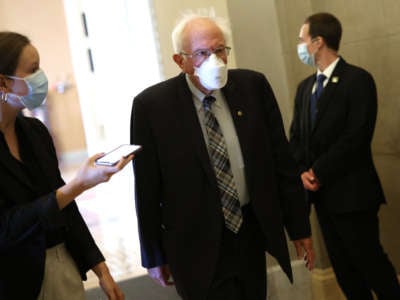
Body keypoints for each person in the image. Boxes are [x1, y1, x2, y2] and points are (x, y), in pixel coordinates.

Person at [130, 11, 314, 300]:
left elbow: (282, 161)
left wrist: (299, 226)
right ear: (181, 61)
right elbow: (146, 187)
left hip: (248, 233)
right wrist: (153, 253)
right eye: (202, 53)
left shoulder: (253, 87)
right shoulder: (152, 107)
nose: (214, 60)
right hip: (193, 243)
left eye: (219, 50)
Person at [0, 31, 131, 300]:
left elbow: (64, 205)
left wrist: (100, 268)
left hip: (63, 266)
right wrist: (78, 185)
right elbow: (7, 227)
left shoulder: (34, 131)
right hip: (12, 279)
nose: (41, 77)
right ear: (3, 83)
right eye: (33, 70)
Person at [289, 12, 400, 300]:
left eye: (302, 40)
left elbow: (356, 137)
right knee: (345, 272)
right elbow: (296, 138)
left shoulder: (358, 80)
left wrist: (318, 172)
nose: (299, 45)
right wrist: (301, 170)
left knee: (372, 266)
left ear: (318, 42)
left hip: (354, 196)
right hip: (322, 198)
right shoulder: (304, 89)